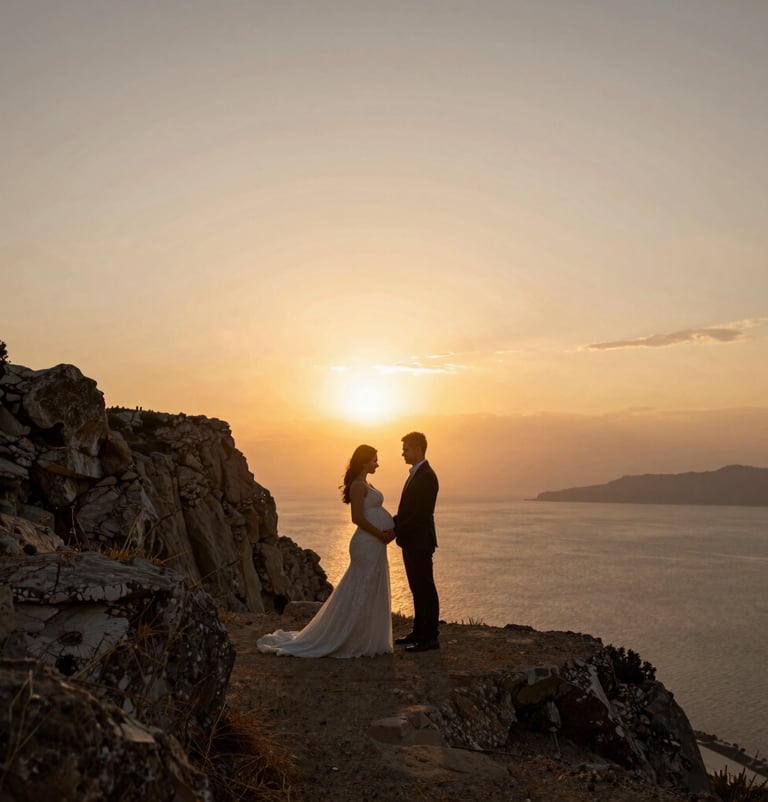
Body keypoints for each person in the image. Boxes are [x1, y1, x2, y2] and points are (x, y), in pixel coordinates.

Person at [257, 444, 396, 658]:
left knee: (371, 587)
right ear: (365, 461)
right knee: (360, 587)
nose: (378, 463)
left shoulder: (367, 483)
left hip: (375, 544)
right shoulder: (358, 486)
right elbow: (357, 518)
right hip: (367, 543)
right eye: (375, 459)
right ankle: (346, 635)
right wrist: (380, 534)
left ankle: (366, 636)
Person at [393, 431, 440, 652]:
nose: (403, 453)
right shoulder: (416, 474)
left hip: (420, 541)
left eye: (406, 449)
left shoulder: (427, 477)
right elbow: (408, 510)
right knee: (416, 587)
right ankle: (419, 631)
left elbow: (420, 514)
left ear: (418, 449)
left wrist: (395, 529)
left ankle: (430, 637)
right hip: (411, 541)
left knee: (425, 588)